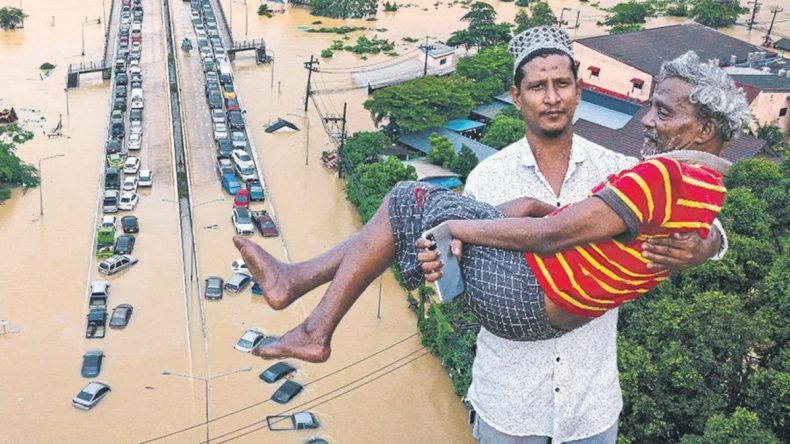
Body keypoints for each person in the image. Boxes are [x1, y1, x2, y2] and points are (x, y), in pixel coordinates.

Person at [235, 29, 746, 441]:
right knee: (418, 210)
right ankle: (300, 292)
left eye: (562, 84)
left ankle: (303, 296)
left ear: (578, 90)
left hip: (589, 405)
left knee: (407, 199)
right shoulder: (487, 177)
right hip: (509, 401)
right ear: (515, 95)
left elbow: (692, 225)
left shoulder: (622, 165)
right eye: (536, 87)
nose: (551, 98)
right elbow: (441, 276)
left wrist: (708, 247)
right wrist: (435, 260)